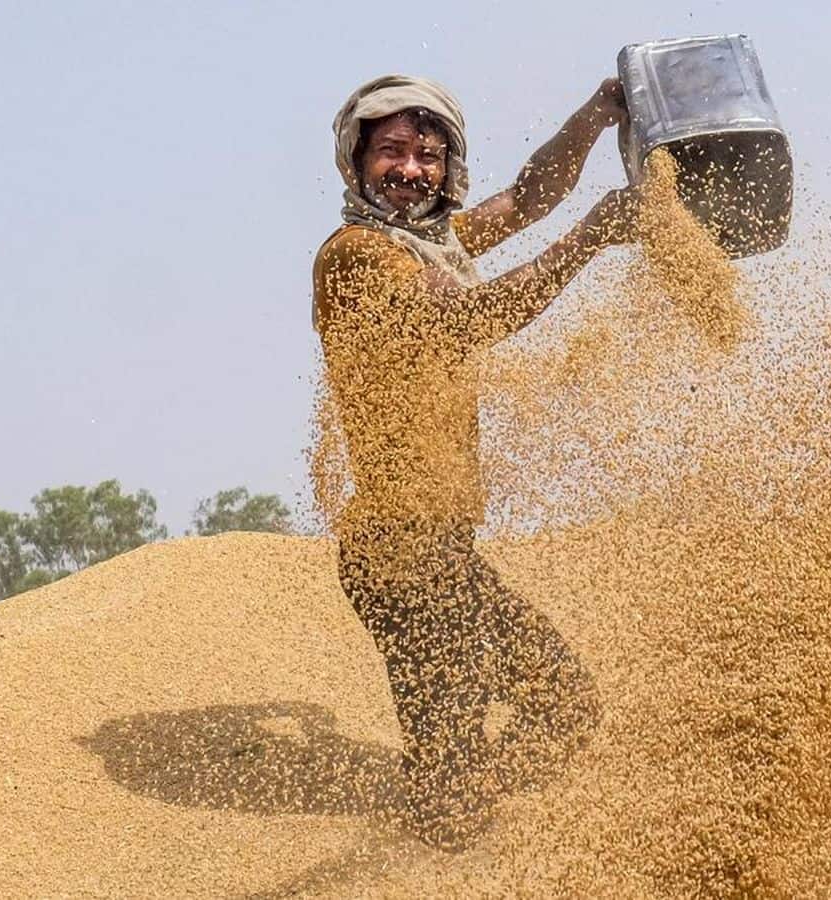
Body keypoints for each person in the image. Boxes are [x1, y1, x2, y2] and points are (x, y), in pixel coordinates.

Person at [311, 73, 637, 849]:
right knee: (453, 768)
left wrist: (594, 115)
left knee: (563, 705)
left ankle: (458, 822)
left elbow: (528, 196)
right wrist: (593, 238)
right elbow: (470, 319)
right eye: (389, 151)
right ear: (355, 163)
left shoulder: (435, 245)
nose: (411, 169)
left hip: (443, 551)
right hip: (400, 556)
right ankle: (446, 842)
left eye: (428, 153)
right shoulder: (361, 256)